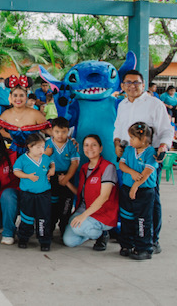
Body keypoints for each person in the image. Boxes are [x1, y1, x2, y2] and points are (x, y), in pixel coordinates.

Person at [113, 70, 173, 254]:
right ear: (122, 86)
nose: (132, 86)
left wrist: (163, 146)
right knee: (130, 199)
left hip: (149, 156)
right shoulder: (122, 105)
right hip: (128, 156)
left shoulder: (154, 104)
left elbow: (166, 130)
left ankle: (152, 240)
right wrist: (116, 143)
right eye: (128, 82)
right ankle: (132, 239)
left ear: (143, 84)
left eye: (136, 82)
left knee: (150, 198)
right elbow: (118, 128)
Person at [63, 134, 119, 251]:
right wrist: (66, 182)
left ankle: (102, 234)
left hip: (102, 213)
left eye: (94, 145)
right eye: (86, 145)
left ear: (100, 148)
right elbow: (81, 193)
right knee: (69, 241)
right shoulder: (84, 168)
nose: (90, 148)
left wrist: (83, 216)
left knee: (78, 227)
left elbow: (104, 197)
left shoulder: (108, 167)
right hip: (84, 209)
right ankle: (89, 231)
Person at [117, 122, 159, 260]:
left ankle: (143, 248)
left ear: (144, 139)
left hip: (144, 192)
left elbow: (147, 172)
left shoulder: (151, 152)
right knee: (126, 217)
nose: (130, 140)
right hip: (127, 189)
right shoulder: (129, 150)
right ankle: (127, 245)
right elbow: (122, 164)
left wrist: (135, 186)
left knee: (142, 220)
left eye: (133, 138)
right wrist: (132, 173)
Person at [0, 77, 51, 156]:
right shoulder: (6, 114)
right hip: (13, 152)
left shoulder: (36, 114)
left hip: (33, 154)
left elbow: (50, 132)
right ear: (10, 97)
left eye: (21, 95)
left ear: (26, 97)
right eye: (15, 95)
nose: (18, 98)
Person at [13, 133, 55, 251]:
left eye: (43, 147)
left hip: (43, 194)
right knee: (27, 217)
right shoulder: (22, 159)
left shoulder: (45, 158)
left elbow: (52, 162)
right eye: (38, 147)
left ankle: (44, 241)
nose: (41, 150)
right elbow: (16, 171)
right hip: (28, 194)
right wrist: (27, 176)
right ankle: (23, 238)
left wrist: (52, 169)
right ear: (29, 146)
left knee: (43, 218)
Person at [43, 117, 79, 236]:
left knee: (66, 203)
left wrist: (66, 178)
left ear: (68, 131)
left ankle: (64, 227)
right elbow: (40, 162)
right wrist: (46, 155)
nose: (60, 135)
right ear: (52, 131)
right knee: (52, 204)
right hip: (51, 177)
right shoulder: (47, 144)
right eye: (57, 131)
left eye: (64, 132)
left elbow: (74, 163)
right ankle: (50, 228)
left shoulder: (71, 145)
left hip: (67, 175)